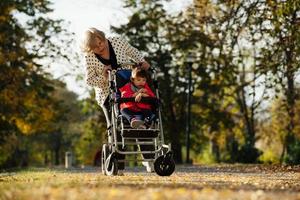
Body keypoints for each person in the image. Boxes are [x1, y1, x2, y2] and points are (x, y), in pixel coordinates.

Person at [81, 27, 152, 173]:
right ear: (90, 49)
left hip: (129, 90)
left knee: (138, 119)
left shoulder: (117, 42)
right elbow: (89, 80)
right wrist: (104, 77)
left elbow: (133, 52)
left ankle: (148, 158)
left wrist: (142, 61)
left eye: (100, 43)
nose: (99, 48)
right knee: (115, 125)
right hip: (107, 94)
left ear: (103, 37)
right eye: (95, 47)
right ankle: (118, 163)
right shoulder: (89, 56)